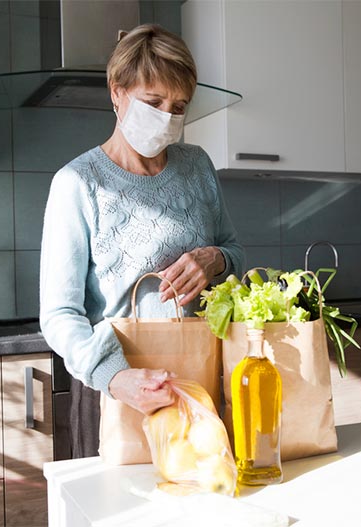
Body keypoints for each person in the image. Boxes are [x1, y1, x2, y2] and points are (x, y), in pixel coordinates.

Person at [39, 24, 244, 458]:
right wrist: (116, 378)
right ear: (117, 93)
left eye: (179, 107)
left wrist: (215, 259)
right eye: (153, 103)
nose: (167, 118)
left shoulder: (198, 166)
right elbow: (59, 313)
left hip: (198, 384)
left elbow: (235, 253)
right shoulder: (78, 182)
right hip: (116, 393)